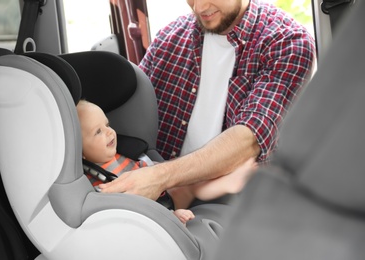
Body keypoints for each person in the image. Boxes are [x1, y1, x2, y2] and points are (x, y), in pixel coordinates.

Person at [99, 0, 315, 202]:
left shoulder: (289, 43)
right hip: (160, 194)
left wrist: (160, 177)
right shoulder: (170, 37)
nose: (199, 7)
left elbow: (249, 138)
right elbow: (130, 115)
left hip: (234, 205)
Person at [77, 100, 257, 223]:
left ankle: (228, 182)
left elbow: (147, 168)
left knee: (192, 183)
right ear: (81, 151)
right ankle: (173, 218)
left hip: (161, 192)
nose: (109, 132)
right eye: (98, 132)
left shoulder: (124, 154)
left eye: (107, 125)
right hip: (145, 213)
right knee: (187, 190)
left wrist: (160, 172)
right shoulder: (92, 179)